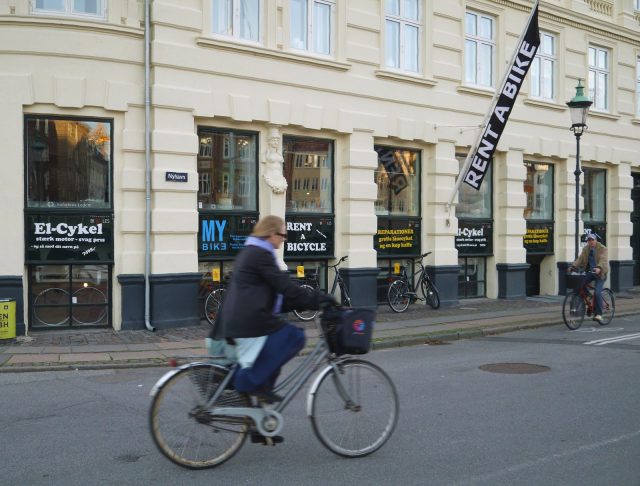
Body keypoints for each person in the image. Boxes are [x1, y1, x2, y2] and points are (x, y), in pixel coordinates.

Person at [210, 215, 334, 406]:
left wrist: (304, 302)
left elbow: (277, 296)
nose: (284, 239)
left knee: (271, 358)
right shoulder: (260, 255)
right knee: (294, 337)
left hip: (237, 319)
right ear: (270, 233)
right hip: (248, 322)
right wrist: (322, 300)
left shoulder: (251, 251)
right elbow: (286, 287)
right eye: (282, 235)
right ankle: (244, 381)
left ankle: (260, 422)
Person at [568, 232, 609, 322]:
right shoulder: (586, 249)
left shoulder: (602, 248)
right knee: (579, 285)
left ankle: (599, 314)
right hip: (590, 272)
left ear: (596, 240)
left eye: (592, 240)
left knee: (597, 293)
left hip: (600, 273)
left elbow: (603, 259)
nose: (590, 242)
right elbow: (580, 259)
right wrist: (573, 266)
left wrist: (599, 267)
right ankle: (587, 295)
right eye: (589, 240)